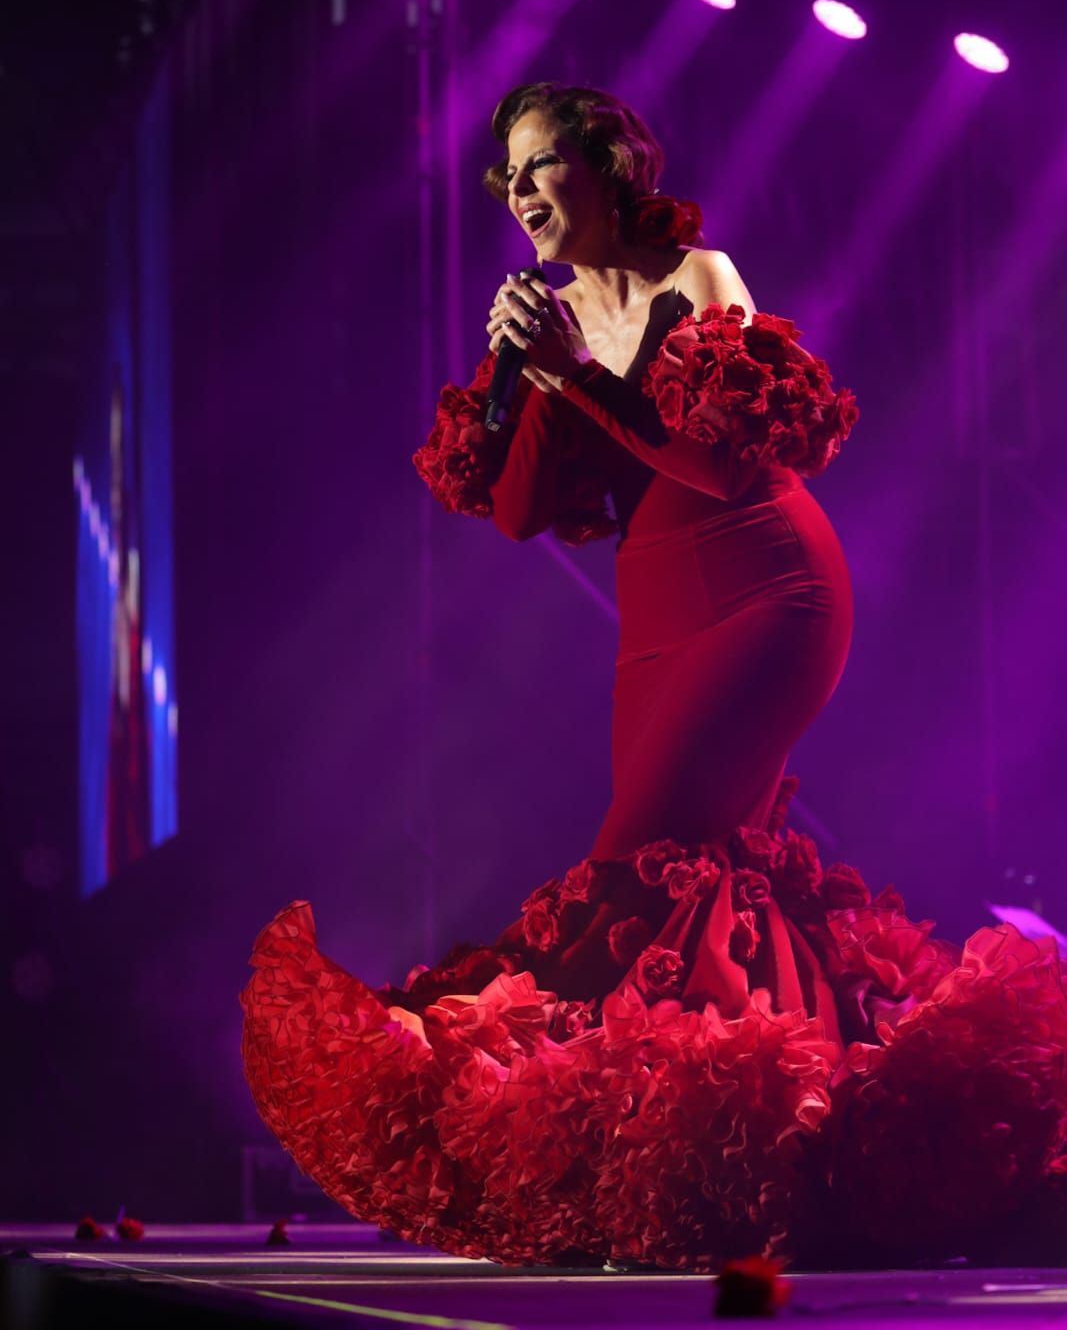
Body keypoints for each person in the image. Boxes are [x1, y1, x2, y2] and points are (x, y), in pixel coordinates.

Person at [241, 84, 1067, 1273]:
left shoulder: (702, 278)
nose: (518, 193)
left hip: (768, 591)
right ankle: (798, 1142)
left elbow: (723, 468)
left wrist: (579, 370)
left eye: (537, 167)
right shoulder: (555, 319)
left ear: (608, 167)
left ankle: (672, 1138)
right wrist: (523, 369)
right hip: (655, 616)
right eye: (507, 179)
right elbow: (519, 511)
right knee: (699, 874)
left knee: (644, 855)